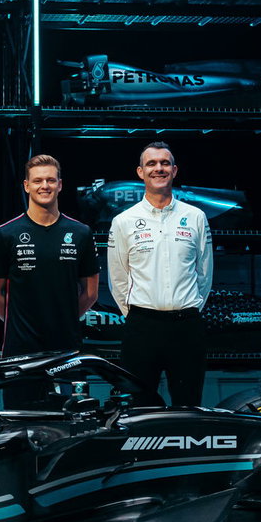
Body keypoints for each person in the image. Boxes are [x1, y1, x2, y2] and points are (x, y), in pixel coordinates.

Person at [107, 141, 212, 406]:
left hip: (186, 326)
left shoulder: (196, 217)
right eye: (151, 163)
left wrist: (190, 309)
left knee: (188, 406)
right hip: (142, 327)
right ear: (140, 172)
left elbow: (204, 273)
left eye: (165, 163)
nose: (159, 168)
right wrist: (137, 315)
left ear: (174, 170)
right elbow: (118, 278)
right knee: (140, 410)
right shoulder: (123, 221)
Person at [0, 154, 99, 357]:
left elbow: (90, 293)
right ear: (26, 186)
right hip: (20, 348)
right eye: (38, 180)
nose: (45, 186)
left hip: (66, 346)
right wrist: (19, 325)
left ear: (60, 185)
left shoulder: (81, 233)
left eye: (51, 180)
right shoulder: (6, 233)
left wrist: (65, 321)